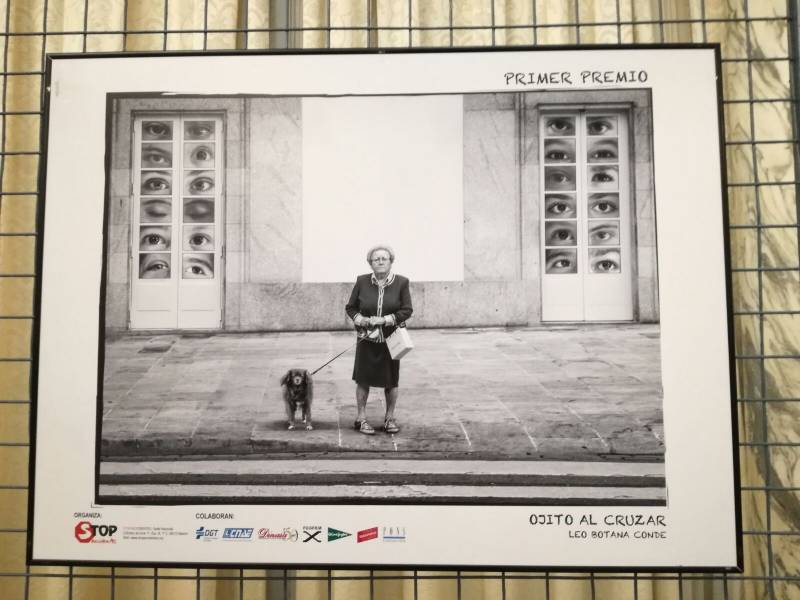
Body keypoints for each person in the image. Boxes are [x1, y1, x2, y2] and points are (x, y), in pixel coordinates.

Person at [345, 245, 413, 435]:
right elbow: (351, 308)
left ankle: (389, 418)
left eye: (384, 258)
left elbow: (407, 310)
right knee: (363, 379)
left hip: (391, 340)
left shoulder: (401, 283)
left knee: (391, 381)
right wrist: (362, 320)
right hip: (366, 339)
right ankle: (361, 418)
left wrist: (385, 319)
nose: (381, 261)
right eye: (376, 259)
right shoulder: (362, 281)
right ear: (370, 263)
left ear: (391, 261)